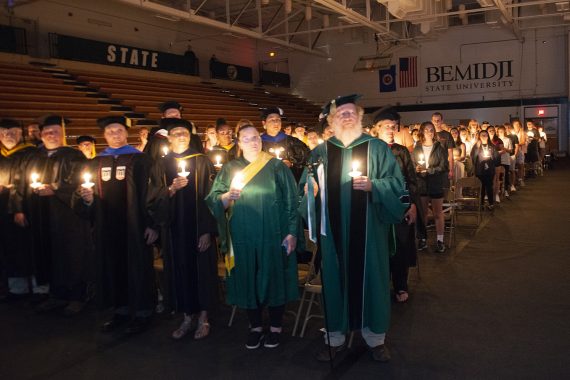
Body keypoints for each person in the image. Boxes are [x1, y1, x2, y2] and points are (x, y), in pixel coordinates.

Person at [300, 94, 407, 363]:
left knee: (373, 278)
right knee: (335, 281)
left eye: (350, 112)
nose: (346, 116)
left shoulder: (377, 148)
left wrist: (375, 186)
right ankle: (334, 337)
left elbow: (397, 185)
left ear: (360, 117)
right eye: (340, 113)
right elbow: (306, 187)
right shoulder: (321, 152)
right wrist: (309, 190)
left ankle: (375, 339)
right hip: (333, 234)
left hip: (370, 232)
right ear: (333, 121)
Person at [206, 123, 299, 350]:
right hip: (242, 235)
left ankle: (276, 326)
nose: (253, 141)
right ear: (239, 143)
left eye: (256, 137)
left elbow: (291, 201)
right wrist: (227, 196)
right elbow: (213, 199)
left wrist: (292, 232)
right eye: (246, 138)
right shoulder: (230, 168)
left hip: (273, 233)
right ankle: (255, 326)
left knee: (274, 278)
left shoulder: (276, 166)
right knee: (248, 278)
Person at [76, 116, 162, 334]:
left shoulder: (141, 160)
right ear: (104, 136)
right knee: (114, 267)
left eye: (118, 130)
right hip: (108, 227)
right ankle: (121, 311)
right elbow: (85, 199)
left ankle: (143, 312)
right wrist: (87, 200)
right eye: (110, 131)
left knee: (139, 268)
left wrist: (153, 224)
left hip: (136, 225)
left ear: (126, 134)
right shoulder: (96, 162)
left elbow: (154, 194)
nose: (115, 134)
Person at [26, 115, 91, 315]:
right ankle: (56, 295)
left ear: (62, 134)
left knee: (73, 254)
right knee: (50, 252)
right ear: (41, 134)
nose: (51, 135)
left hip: (68, 216)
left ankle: (77, 297)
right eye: (47, 132)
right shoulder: (36, 156)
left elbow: (78, 180)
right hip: (43, 214)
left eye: (55, 131)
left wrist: (54, 188)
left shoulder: (73, 155)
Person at [160, 118, 218, 340]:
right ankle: (186, 317)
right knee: (180, 271)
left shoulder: (201, 161)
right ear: (169, 137)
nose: (181, 136)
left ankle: (203, 317)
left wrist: (206, 230)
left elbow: (211, 197)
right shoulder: (161, 164)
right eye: (176, 133)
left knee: (202, 270)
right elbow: (153, 197)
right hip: (174, 231)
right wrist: (171, 190)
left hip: (198, 229)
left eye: (184, 132)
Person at [372, 109, 418, 303]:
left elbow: (411, 179)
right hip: (378, 207)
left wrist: (413, 204)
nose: (391, 130)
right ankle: (381, 285)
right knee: (380, 247)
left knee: (401, 246)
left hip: (400, 206)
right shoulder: (369, 150)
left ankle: (400, 285)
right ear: (376, 129)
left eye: (394, 126)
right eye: (387, 126)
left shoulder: (401, 151)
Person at [0, 118, 37, 300]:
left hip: (23, 207)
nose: (8, 136)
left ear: (20, 134)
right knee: (8, 248)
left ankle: (37, 289)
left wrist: (18, 209)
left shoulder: (29, 153)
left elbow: (26, 182)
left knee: (26, 247)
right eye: (4, 133)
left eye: (13, 132)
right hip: (1, 210)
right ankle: (16, 289)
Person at [413, 121, 449, 253]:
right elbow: (413, 163)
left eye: (431, 130)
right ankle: (423, 239)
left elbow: (444, 166)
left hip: (435, 183)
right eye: (427, 130)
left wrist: (429, 171)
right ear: (421, 131)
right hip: (422, 184)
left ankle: (440, 240)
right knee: (422, 213)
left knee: (437, 213)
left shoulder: (439, 147)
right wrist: (416, 168)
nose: (429, 132)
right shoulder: (417, 147)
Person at [260, 107, 310, 182]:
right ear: (264, 123)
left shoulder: (292, 141)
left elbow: (306, 157)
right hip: (267, 181)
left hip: (289, 180)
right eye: (272, 120)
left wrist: (291, 163)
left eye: (278, 119)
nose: (276, 122)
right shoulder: (258, 143)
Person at [470, 129, 500, 210]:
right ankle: (481, 204)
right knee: (481, 187)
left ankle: (491, 203)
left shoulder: (492, 146)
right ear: (479, 137)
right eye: (482, 135)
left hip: (489, 170)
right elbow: (473, 157)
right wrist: (477, 147)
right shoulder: (476, 146)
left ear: (488, 136)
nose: (484, 136)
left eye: (485, 135)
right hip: (480, 170)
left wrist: (490, 158)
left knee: (489, 187)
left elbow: (497, 158)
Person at [431, 112, 455, 182]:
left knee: (445, 190)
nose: (436, 122)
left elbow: (450, 154)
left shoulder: (447, 135)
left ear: (442, 121)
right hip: (431, 167)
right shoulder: (429, 134)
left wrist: (451, 170)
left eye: (438, 120)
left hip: (444, 167)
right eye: (434, 120)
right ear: (432, 121)